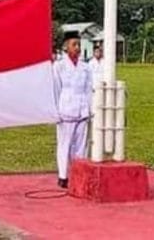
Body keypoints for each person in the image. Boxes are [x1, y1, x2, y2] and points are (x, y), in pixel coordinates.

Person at [53, 30, 92, 189]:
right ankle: (63, 175)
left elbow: (89, 89)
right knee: (65, 144)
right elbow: (55, 89)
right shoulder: (59, 66)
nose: (77, 48)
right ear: (66, 47)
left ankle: (79, 174)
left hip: (82, 109)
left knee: (81, 146)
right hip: (66, 109)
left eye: (79, 45)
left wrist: (89, 108)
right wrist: (55, 111)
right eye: (74, 44)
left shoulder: (85, 67)